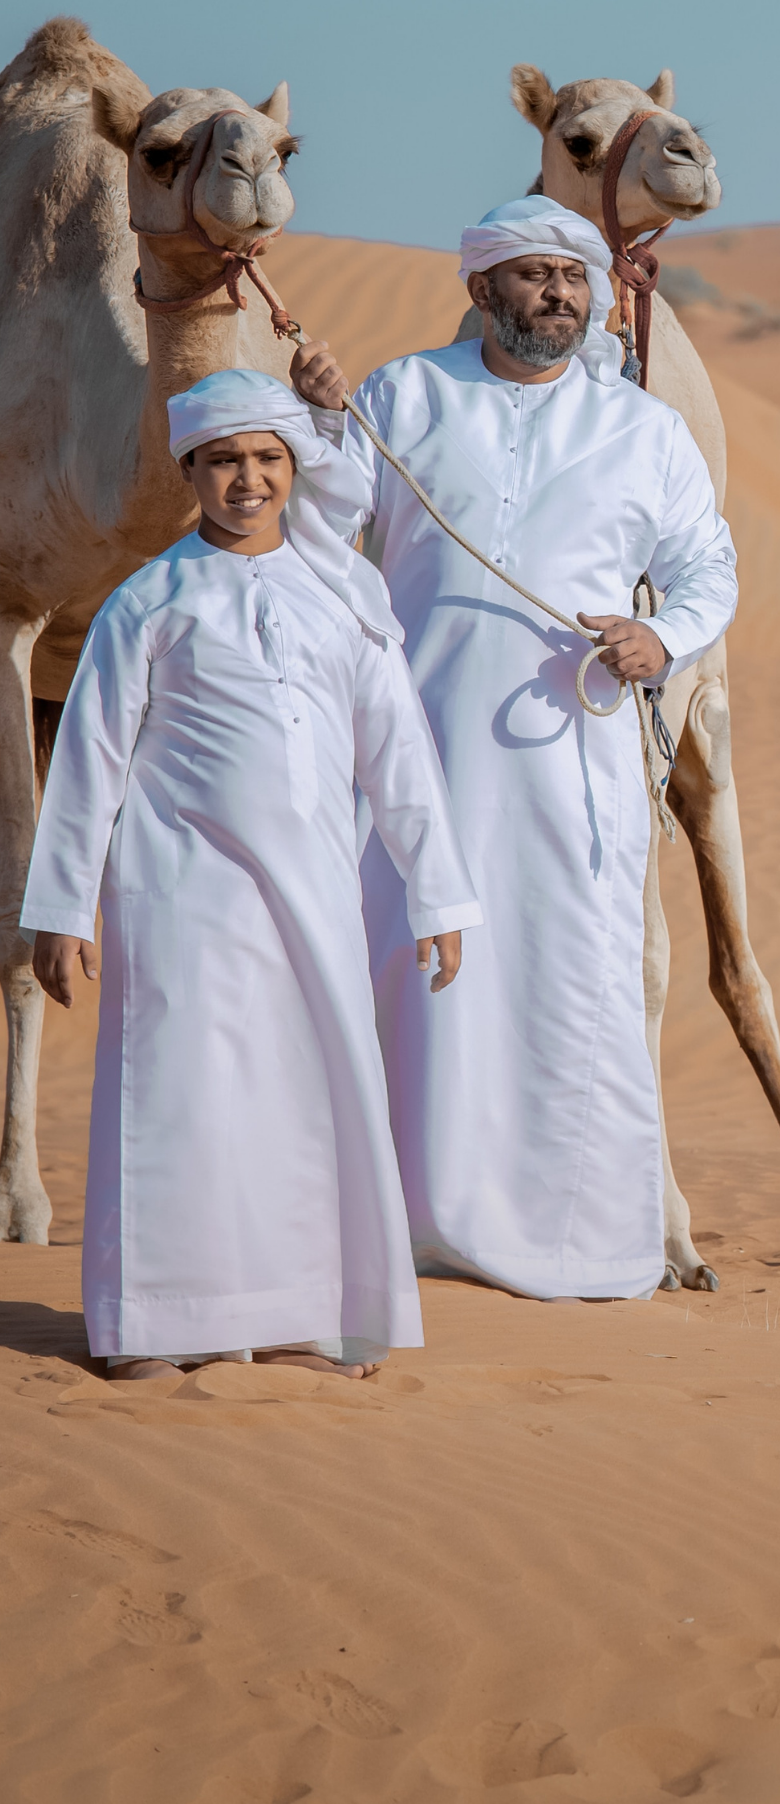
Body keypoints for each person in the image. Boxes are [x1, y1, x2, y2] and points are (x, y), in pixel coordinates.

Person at [290, 197, 737, 1301]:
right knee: (411, 970)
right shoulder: (404, 394)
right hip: (414, 749)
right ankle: (404, 1225)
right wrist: (319, 424)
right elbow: (325, 518)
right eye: (535, 278)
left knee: (569, 978)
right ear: (483, 290)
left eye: (575, 281)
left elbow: (709, 567)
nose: (560, 298)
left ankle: (576, 1241)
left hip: (569, 759)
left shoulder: (642, 430)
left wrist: (661, 635)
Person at [21, 371, 478, 1381]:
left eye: (268, 459)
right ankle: (160, 1323)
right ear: (191, 471)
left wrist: (437, 893)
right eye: (226, 460)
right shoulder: (149, 600)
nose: (248, 479)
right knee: (179, 1099)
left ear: (293, 469)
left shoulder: (340, 599)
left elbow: (399, 759)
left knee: (306, 1101)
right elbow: (90, 759)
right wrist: (61, 909)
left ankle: (305, 1318)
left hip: (316, 896)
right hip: (180, 893)